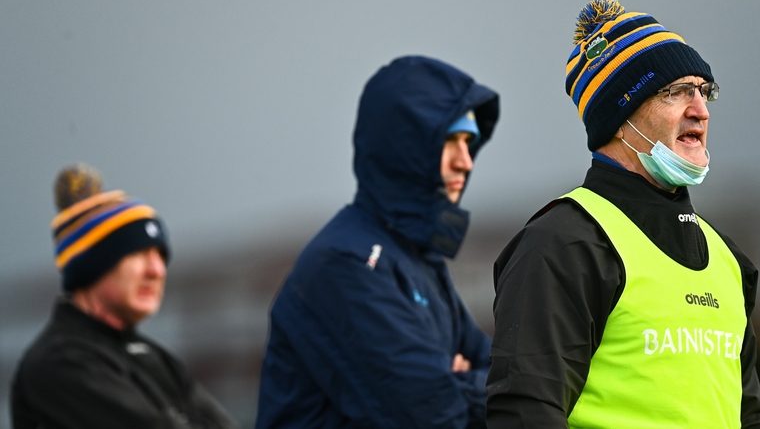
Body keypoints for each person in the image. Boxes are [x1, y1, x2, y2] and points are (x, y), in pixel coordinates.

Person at [486, 0, 760, 428]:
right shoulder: (563, 242)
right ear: (620, 118)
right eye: (675, 91)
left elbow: (750, 415)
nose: (701, 110)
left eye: (704, 90)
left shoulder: (728, 259)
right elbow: (526, 410)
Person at [255, 55, 500, 428]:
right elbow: (434, 416)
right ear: (404, 148)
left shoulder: (415, 256)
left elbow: (504, 372)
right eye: (450, 140)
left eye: (470, 143)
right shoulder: (346, 262)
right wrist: (460, 385)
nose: (466, 162)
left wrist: (458, 382)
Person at [11, 163, 238, 429]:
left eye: (161, 256)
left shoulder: (155, 357)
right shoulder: (60, 362)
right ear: (95, 264)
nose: (157, 270)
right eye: (138, 253)